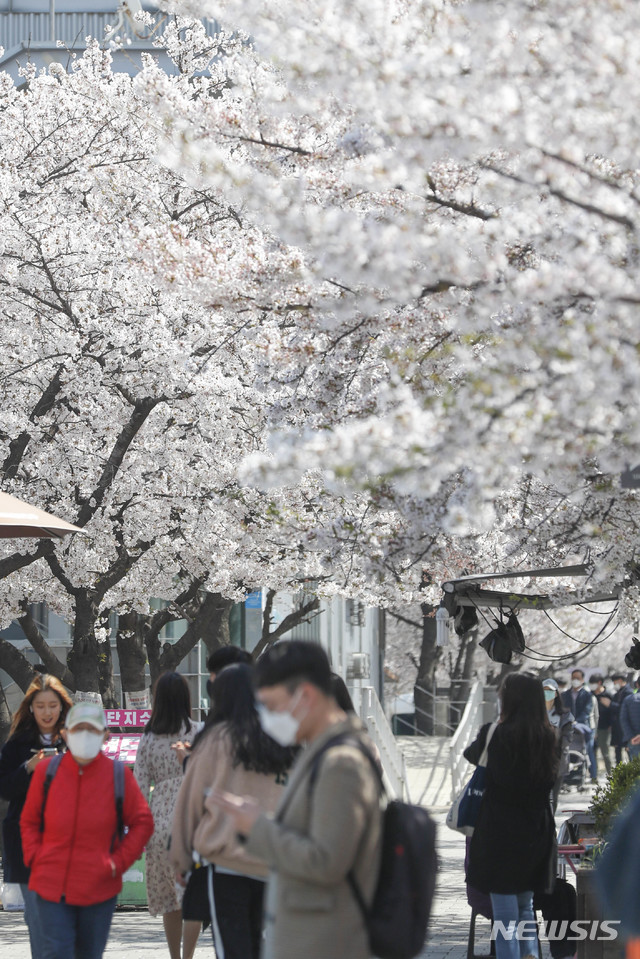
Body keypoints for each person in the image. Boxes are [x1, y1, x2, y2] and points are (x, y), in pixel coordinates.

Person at [210, 640, 383, 959]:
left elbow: (327, 861)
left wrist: (257, 827)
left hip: (325, 940)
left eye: (273, 706)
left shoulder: (340, 763)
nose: (266, 719)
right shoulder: (320, 752)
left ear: (305, 696)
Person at [171, 663, 296, 959]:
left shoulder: (216, 739)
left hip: (228, 864)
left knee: (234, 950)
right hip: (276, 863)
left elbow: (190, 802)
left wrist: (181, 858)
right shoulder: (284, 736)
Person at [20, 701, 153, 959]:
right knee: (56, 952)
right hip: (49, 886)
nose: (84, 735)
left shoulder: (117, 775)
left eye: (91, 729)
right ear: (65, 734)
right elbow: (28, 821)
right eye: (78, 728)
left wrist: (118, 863)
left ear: (105, 735)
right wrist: (35, 858)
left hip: (98, 888)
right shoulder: (47, 773)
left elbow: (142, 822)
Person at [466, 672, 559, 959]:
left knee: (504, 907)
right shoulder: (549, 737)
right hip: (536, 830)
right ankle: (528, 954)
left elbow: (472, 756)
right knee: (525, 904)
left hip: (499, 830)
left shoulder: (494, 733)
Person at [0, 673, 73, 957]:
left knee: (62, 914)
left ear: (62, 706)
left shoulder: (74, 739)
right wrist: (27, 769)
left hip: (67, 838)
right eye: (40, 705)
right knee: (37, 915)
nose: (47, 712)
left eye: (52, 705)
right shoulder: (18, 743)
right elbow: (4, 787)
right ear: (31, 707)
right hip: (27, 839)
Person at [134, 672, 202, 959]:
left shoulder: (148, 740)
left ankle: (175, 957)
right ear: (186, 700)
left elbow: (138, 788)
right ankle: (188, 957)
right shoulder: (199, 731)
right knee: (193, 898)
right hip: (193, 823)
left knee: (169, 901)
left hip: (159, 825)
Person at [542, 678, 574, 810]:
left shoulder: (565, 716)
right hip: (537, 760)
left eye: (550, 691)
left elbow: (567, 738)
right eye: (544, 691)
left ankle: (550, 824)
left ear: (556, 694)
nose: (547, 693)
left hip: (557, 760)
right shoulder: (533, 714)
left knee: (552, 797)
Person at [561, 668, 597, 783]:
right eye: (573, 678)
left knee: (588, 751)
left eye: (578, 678)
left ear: (582, 679)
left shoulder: (587, 695)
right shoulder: (565, 695)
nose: (575, 680)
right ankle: (568, 777)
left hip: (584, 728)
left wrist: (577, 721)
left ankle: (593, 776)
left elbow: (587, 711)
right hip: (568, 728)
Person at [589, 674, 612, 778]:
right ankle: (594, 776)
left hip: (604, 728)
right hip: (592, 728)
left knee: (605, 753)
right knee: (592, 753)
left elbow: (614, 712)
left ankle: (610, 774)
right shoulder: (590, 695)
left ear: (599, 683)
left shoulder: (608, 695)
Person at [610, 673, 634, 764]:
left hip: (626, 728)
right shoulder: (617, 693)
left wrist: (610, 704)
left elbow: (624, 709)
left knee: (629, 751)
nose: (614, 684)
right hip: (617, 727)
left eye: (614, 682)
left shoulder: (628, 692)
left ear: (620, 680)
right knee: (618, 752)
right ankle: (619, 774)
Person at [619, 683, 640, 760]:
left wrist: (631, 737)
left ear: (637, 685)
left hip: (634, 740)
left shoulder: (628, 699)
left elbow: (623, 719)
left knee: (636, 768)